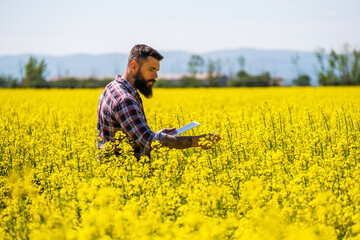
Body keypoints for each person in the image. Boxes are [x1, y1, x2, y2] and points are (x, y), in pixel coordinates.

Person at [97, 44, 221, 160]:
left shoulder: (112, 87)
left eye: (157, 70)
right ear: (133, 66)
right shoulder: (125, 99)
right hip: (122, 176)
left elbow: (136, 134)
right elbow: (150, 141)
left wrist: (157, 134)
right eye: (151, 69)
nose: (156, 75)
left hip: (113, 172)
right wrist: (198, 141)